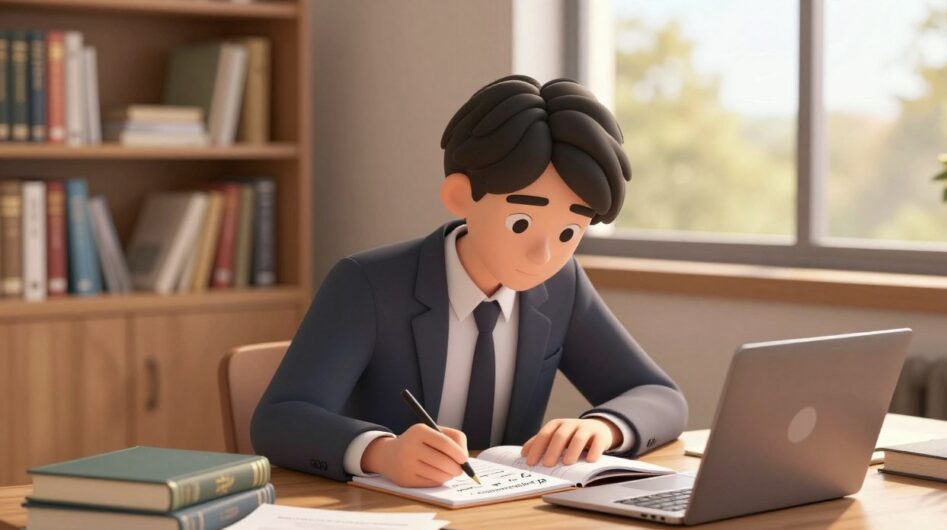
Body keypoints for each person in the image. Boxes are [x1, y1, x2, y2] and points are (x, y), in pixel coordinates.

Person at [250, 75, 687, 487]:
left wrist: (603, 427)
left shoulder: (560, 286)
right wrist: (381, 452)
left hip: (504, 518)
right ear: (461, 196)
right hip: (382, 516)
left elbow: (659, 396)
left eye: (569, 232)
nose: (544, 253)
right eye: (521, 223)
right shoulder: (367, 284)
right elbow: (280, 418)